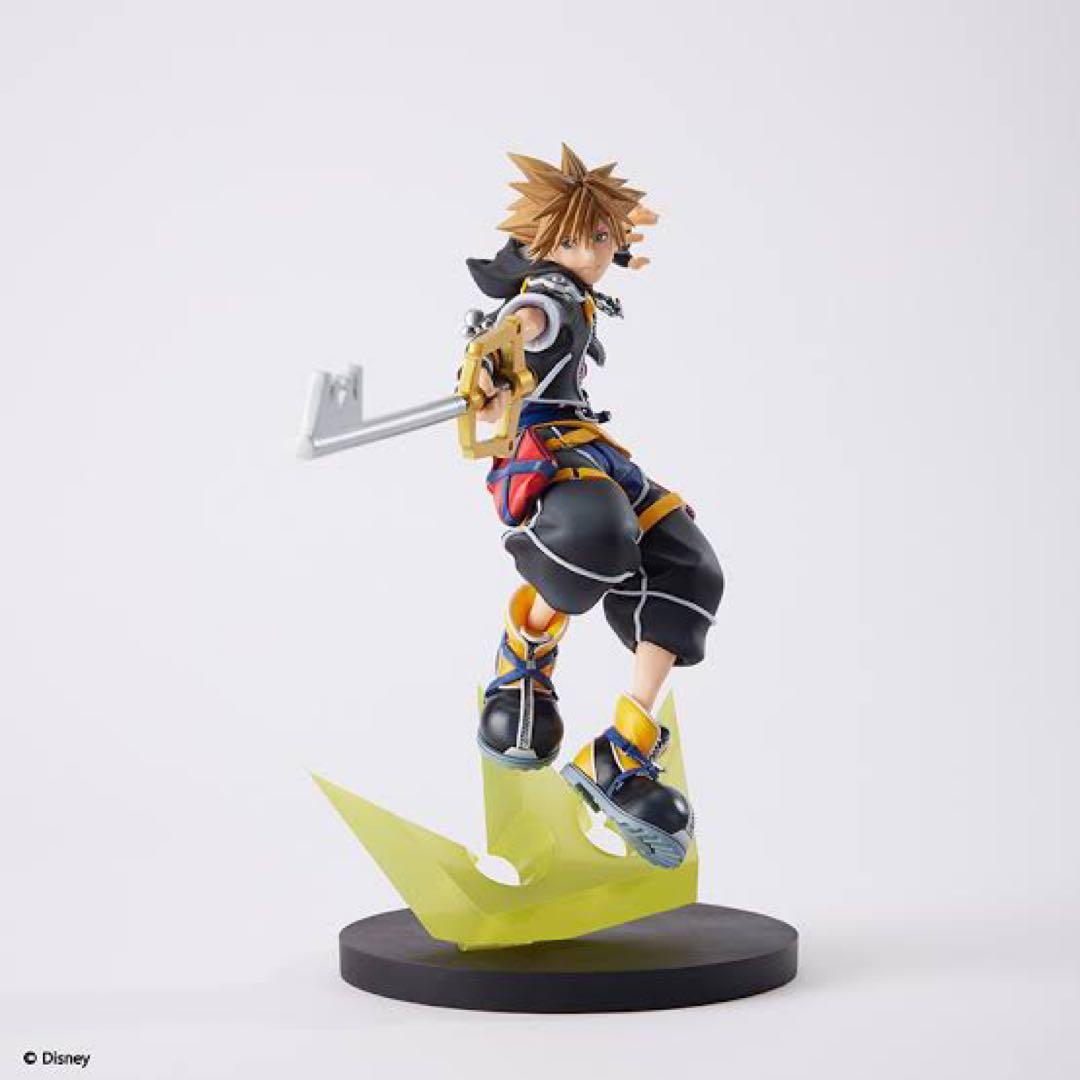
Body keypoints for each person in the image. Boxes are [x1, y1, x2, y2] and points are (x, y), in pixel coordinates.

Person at [466, 146, 724, 868]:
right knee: (593, 537)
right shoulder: (545, 297)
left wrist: (630, 226)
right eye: (579, 238)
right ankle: (522, 666)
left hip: (596, 446)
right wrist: (493, 358)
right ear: (545, 242)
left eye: (604, 238)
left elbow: (616, 240)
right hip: (547, 448)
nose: (595, 252)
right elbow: (523, 324)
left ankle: (622, 755)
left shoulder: (583, 288)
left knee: (688, 567)